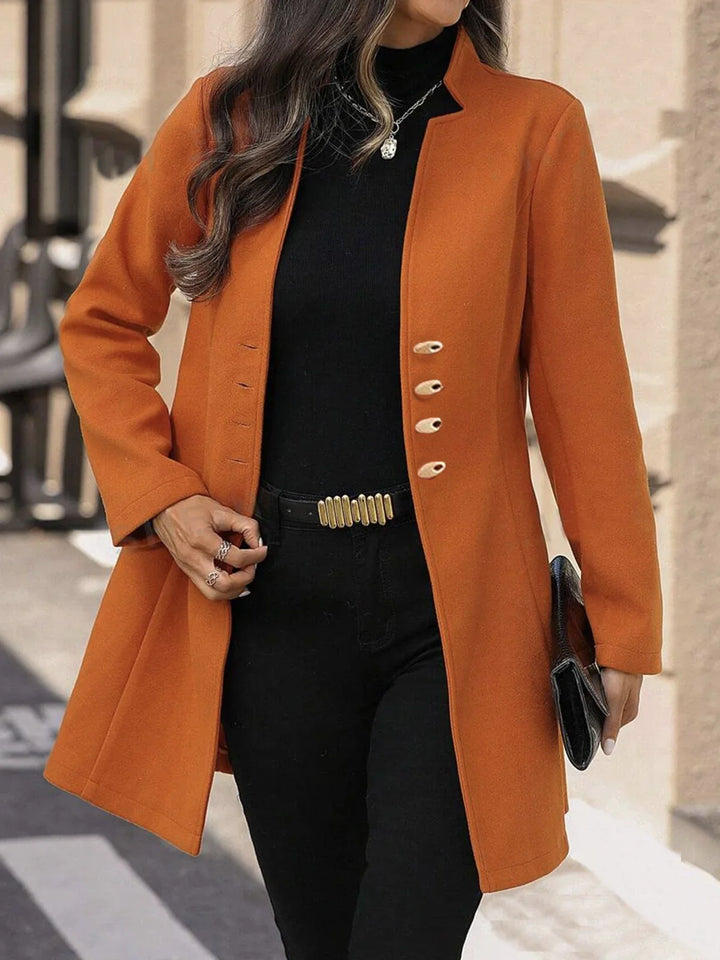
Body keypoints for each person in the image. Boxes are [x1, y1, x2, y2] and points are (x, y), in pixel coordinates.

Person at [45, 1, 664, 957]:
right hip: (274, 613)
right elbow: (101, 321)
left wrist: (623, 620)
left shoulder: (536, 127)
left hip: (458, 626)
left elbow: (587, 399)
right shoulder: (231, 118)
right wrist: (161, 495)